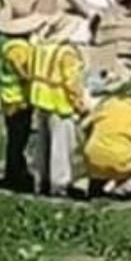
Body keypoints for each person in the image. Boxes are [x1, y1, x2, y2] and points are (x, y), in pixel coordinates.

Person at [28, 16, 93, 198]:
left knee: (43, 145)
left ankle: (41, 181)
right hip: (59, 102)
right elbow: (72, 83)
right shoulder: (66, 53)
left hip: (40, 100)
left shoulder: (40, 48)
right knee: (61, 147)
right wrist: (81, 105)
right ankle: (60, 185)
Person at [83, 87, 131, 199]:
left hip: (91, 158)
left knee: (102, 159)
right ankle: (124, 189)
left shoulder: (112, 104)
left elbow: (86, 125)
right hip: (118, 161)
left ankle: (96, 188)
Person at [0, 14, 42, 194]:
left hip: (7, 97)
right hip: (18, 98)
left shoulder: (3, 44)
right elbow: (24, 73)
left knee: (15, 137)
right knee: (18, 138)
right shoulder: (18, 50)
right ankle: (15, 174)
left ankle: (15, 171)